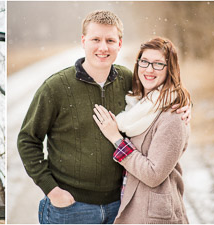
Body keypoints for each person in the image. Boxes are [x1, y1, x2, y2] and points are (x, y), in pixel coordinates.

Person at [17, 10, 190, 224]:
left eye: (110, 40)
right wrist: (52, 190)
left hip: (121, 206)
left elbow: (160, 96)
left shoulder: (129, 80)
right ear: (83, 41)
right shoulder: (56, 88)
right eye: (95, 39)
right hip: (71, 209)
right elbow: (28, 140)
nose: (103, 47)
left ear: (119, 44)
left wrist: (184, 105)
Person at [91, 37, 191, 224]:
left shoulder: (173, 115)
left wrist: (116, 139)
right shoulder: (136, 104)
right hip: (131, 206)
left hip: (155, 216)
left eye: (158, 64)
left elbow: (153, 175)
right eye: (144, 62)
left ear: (170, 69)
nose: (149, 69)